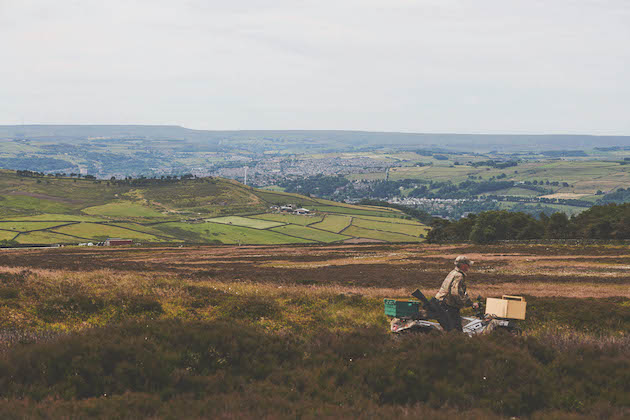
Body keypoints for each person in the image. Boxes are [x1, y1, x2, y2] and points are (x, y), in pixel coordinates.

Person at [434, 255, 479, 332]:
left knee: (449, 328)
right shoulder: (459, 276)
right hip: (448, 306)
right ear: (463, 265)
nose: (469, 267)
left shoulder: (453, 273)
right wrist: (469, 304)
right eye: (468, 265)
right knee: (456, 330)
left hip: (441, 303)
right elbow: (456, 293)